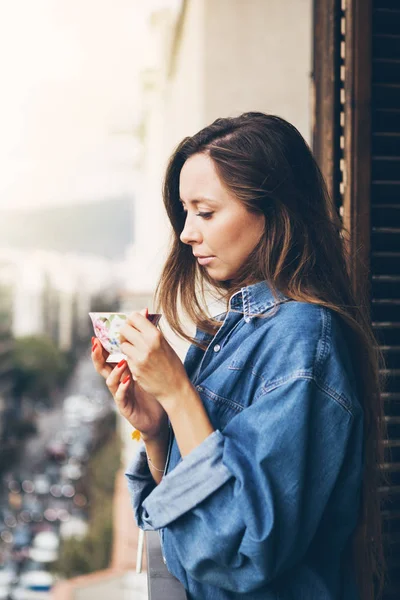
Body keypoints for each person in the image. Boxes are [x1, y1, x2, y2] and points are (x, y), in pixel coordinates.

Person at [91, 112, 385, 600]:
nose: (187, 233)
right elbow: (193, 533)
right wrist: (159, 431)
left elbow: (243, 550)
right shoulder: (229, 334)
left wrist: (178, 394)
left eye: (205, 212)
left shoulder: (303, 339)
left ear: (274, 212)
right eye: (184, 213)